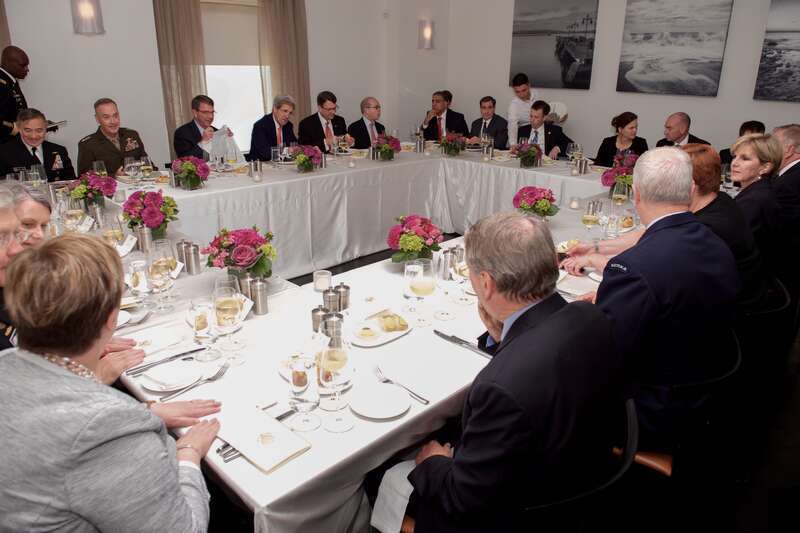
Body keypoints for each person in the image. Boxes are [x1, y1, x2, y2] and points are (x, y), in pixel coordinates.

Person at [390, 212, 621, 533]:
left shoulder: (501, 387)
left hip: (517, 513)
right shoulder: (589, 315)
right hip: (583, 474)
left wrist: (432, 462)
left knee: (384, 473)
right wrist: (502, 336)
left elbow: (462, 500)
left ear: (486, 283)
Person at [0, 232, 220, 532]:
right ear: (110, 319)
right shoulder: (106, 429)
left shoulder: (7, 363)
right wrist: (188, 455)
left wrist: (145, 413)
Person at [595, 148, 739, 445]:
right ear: (689, 191)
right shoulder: (717, 243)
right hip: (704, 389)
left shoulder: (633, 267)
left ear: (635, 195)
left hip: (652, 410)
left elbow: (606, 356)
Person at [563, 144, 766, 313]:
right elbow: (650, 237)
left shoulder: (710, 227)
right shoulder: (717, 202)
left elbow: (648, 272)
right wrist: (596, 247)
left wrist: (597, 265)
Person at [730, 133, 784, 277]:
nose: (734, 163)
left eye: (745, 158)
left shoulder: (755, 199)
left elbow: (735, 245)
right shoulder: (758, 191)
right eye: (734, 156)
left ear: (765, 167)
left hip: (748, 278)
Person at [77, 98, 149, 175]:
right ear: (97, 119)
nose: (113, 121)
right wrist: (114, 176)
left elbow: (147, 164)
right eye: (106, 117)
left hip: (138, 185)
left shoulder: (131, 134)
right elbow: (84, 178)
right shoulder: (88, 144)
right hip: (110, 186)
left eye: (115, 115)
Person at [0, 108, 75, 181]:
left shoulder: (59, 150)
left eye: (39, 130)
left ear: (46, 129)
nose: (34, 136)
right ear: (19, 129)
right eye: (28, 130)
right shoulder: (4, 152)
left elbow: (71, 182)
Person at [174, 94, 230, 159]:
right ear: (195, 113)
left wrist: (227, 141)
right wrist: (203, 143)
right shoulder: (182, 133)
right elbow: (185, 161)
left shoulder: (216, 131)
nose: (210, 116)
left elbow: (224, 159)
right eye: (205, 112)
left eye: (212, 112)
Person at [249, 95, 298, 161]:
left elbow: (295, 146)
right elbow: (265, 152)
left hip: (282, 165)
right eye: (285, 111)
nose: (287, 116)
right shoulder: (260, 126)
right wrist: (287, 150)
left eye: (290, 113)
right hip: (262, 166)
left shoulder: (288, 125)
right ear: (275, 109)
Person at [0, 46, 29, 143]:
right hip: (5, 143)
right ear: (8, 63)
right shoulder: (2, 84)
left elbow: (17, 110)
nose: (27, 69)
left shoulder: (10, 81)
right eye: (23, 65)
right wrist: (14, 128)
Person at [507, 72, 538, 147]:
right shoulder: (514, 105)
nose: (521, 95)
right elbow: (512, 125)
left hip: (540, 131)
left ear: (529, 86)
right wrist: (513, 144)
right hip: (524, 134)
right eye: (517, 92)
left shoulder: (538, 96)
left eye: (524, 90)